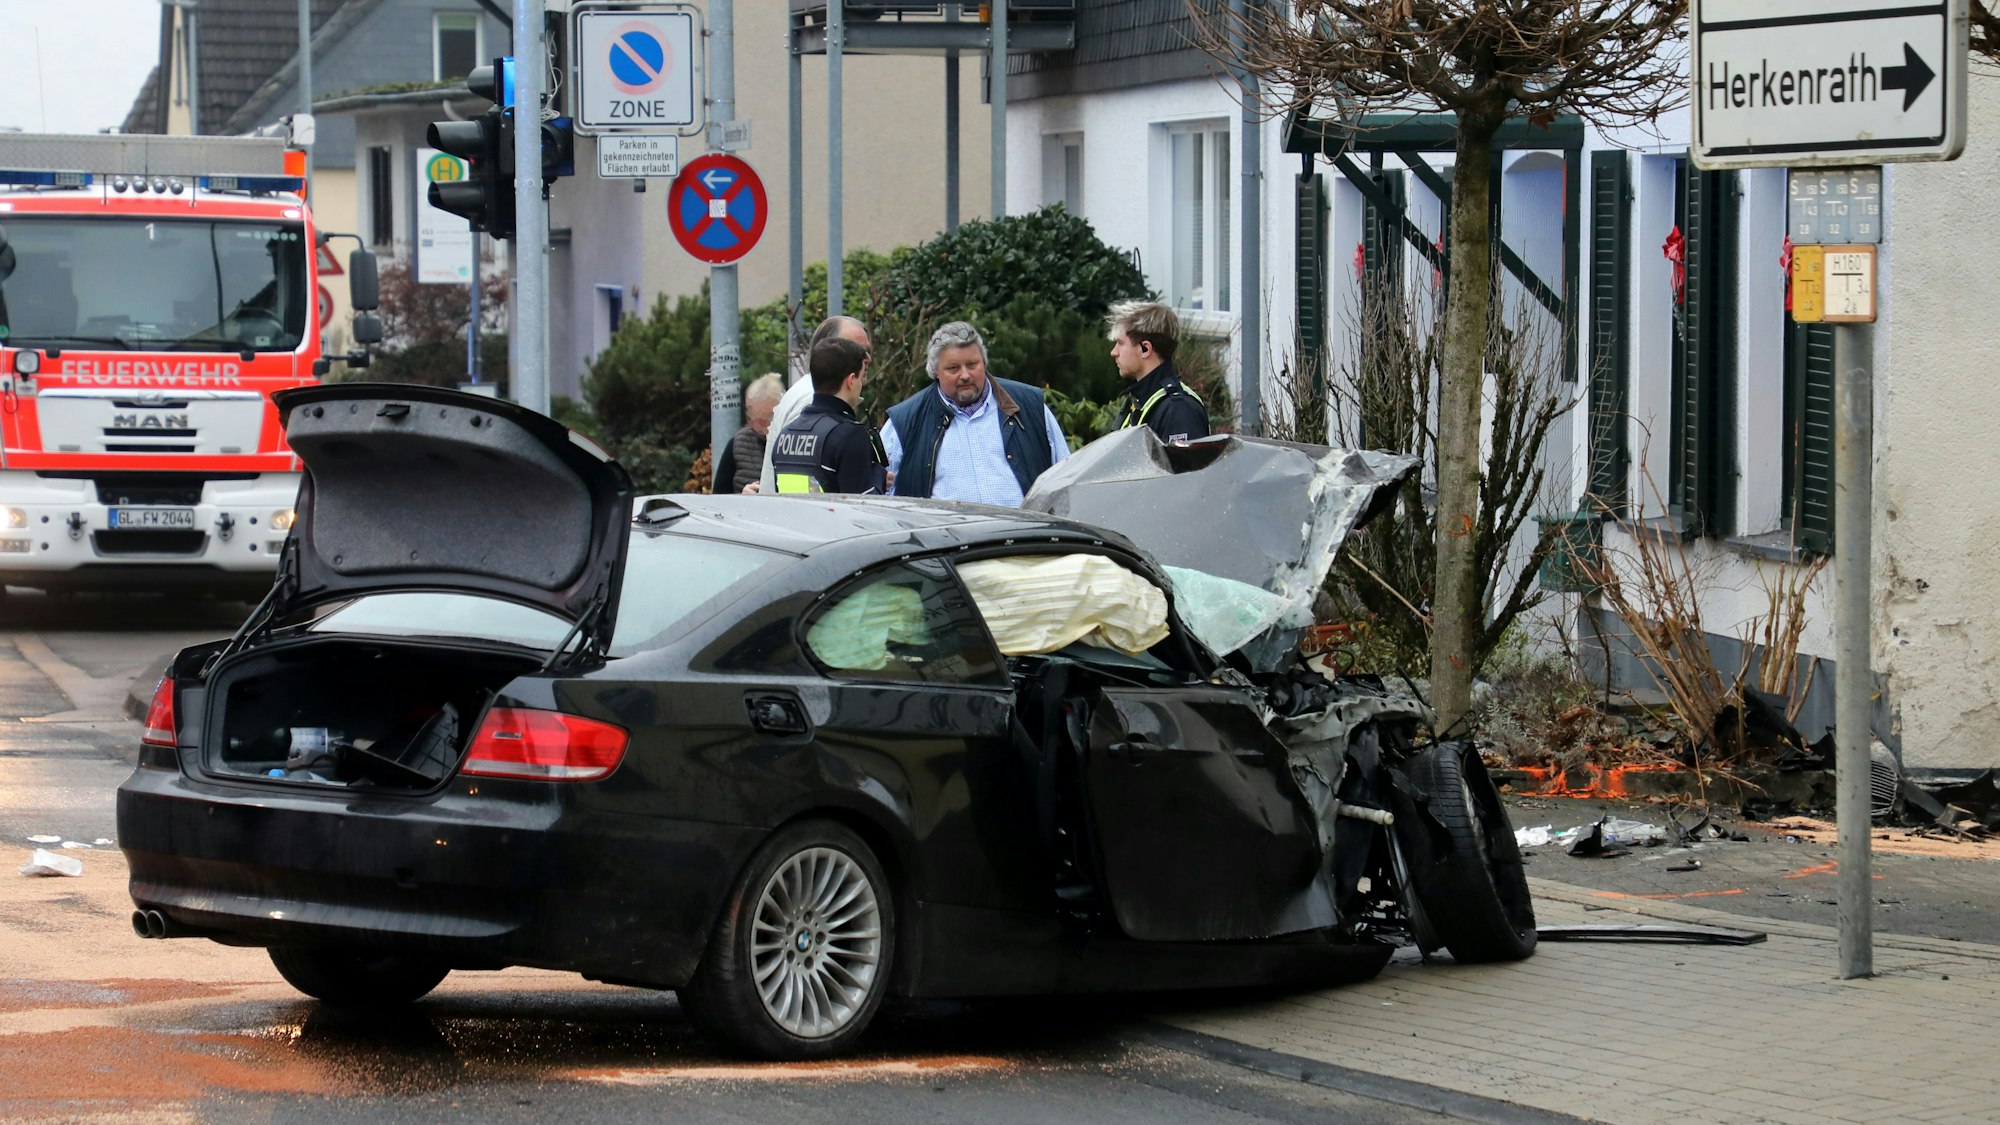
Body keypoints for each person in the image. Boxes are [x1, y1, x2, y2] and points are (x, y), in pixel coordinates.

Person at [881, 321, 1068, 506]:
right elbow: (876, 496)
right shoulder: (905, 422)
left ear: (984, 363)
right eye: (953, 368)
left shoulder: (1028, 405)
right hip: (945, 536)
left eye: (972, 364)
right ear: (935, 372)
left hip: (1027, 533)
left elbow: (1065, 477)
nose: (965, 375)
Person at [756, 315, 872, 494]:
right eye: (856, 350)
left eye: (867, 350)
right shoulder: (812, 399)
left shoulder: (803, 396)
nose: (867, 359)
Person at [1108, 300, 1209, 444]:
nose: (1114, 352)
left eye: (1120, 343)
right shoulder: (1141, 401)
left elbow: (1185, 466)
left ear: (1145, 349)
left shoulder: (1179, 410)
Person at [712, 373, 784, 494]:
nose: (763, 427)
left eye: (769, 419)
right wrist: (742, 498)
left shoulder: (791, 442)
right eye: (757, 420)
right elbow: (719, 498)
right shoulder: (737, 444)